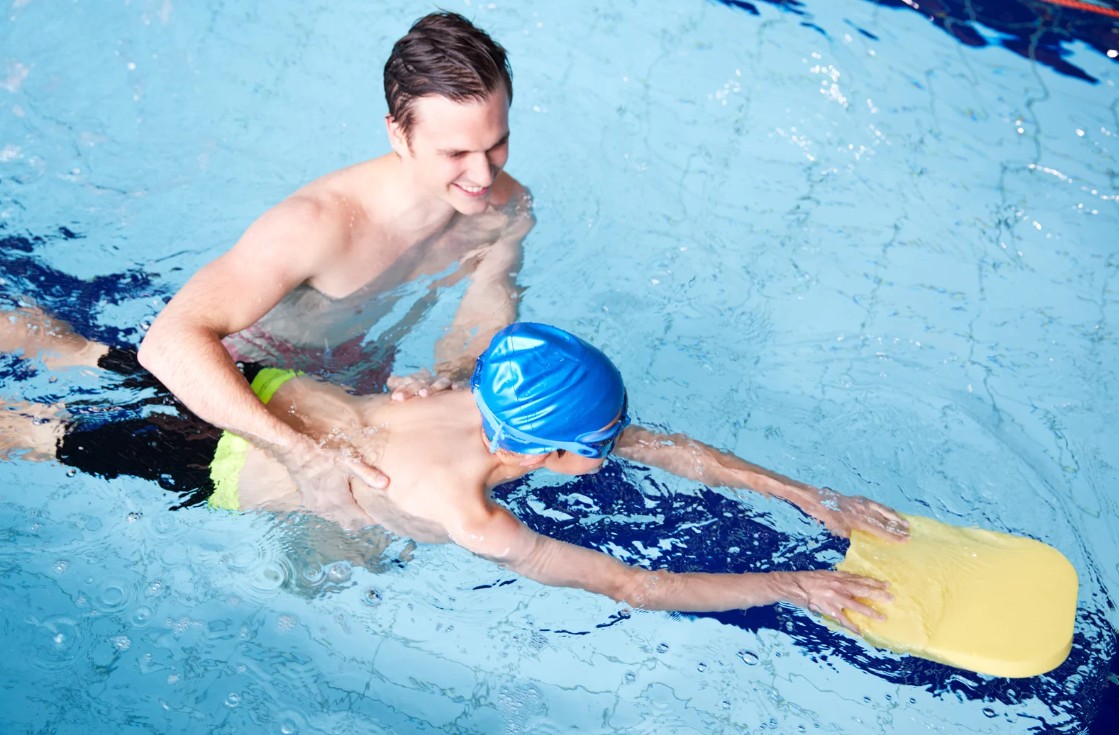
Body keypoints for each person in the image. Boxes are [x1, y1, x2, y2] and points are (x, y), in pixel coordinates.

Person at [2, 314, 908, 631]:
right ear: (534, 453)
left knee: (116, 361)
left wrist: (803, 493)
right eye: (588, 448)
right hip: (231, 460)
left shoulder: (474, 393)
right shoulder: (467, 510)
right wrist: (785, 584)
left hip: (253, 389)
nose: (602, 455)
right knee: (43, 438)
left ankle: (56, 341)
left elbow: (659, 444)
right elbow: (633, 584)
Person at [136, 11, 534, 526]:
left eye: (496, 143)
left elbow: (486, 312)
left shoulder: (505, 208)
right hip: (241, 390)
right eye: (456, 153)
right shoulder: (316, 225)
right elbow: (168, 343)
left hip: (357, 380)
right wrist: (298, 453)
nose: (483, 173)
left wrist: (445, 377)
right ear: (397, 134)